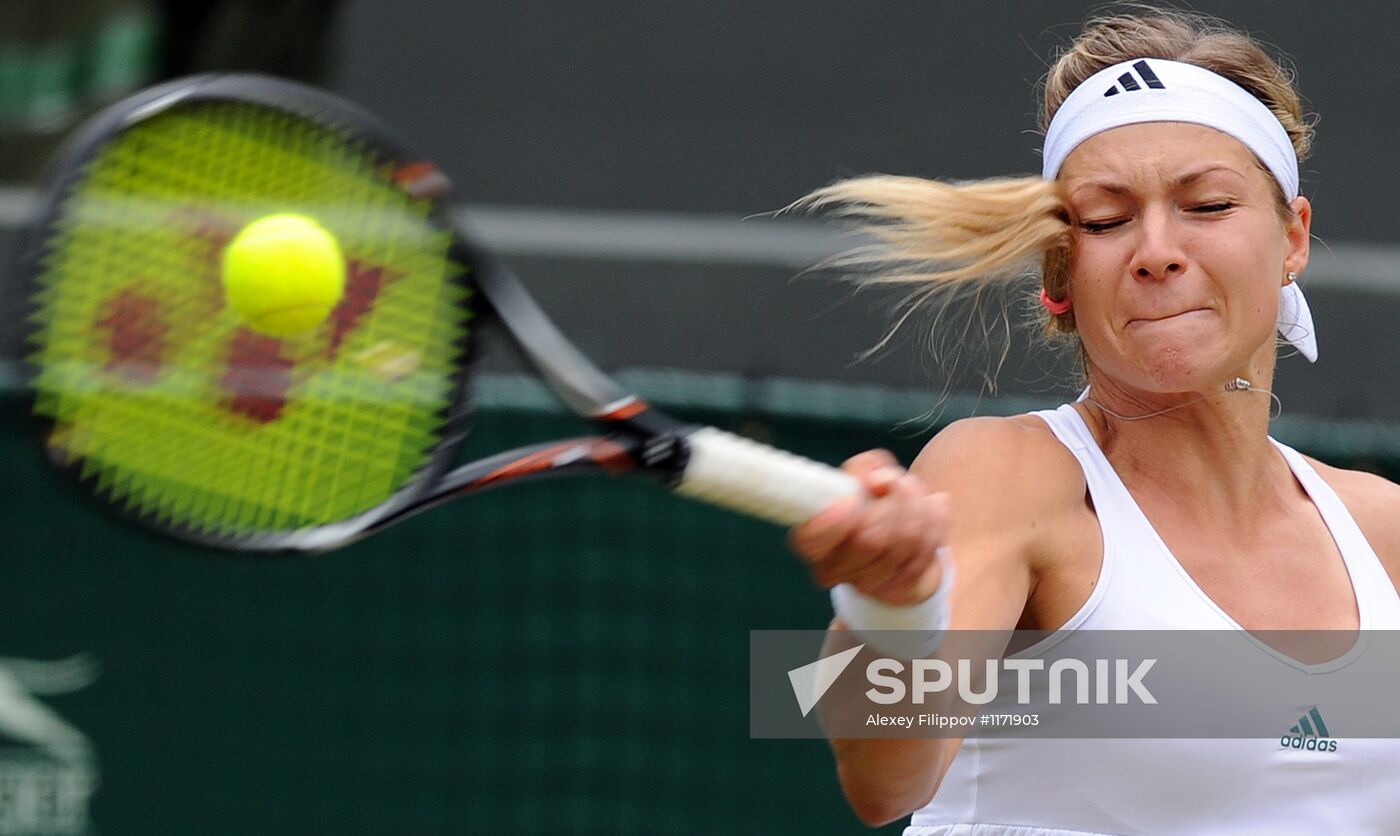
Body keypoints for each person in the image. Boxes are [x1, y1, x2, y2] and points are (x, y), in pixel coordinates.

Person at [790, 7, 1400, 833]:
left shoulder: (1382, 528)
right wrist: (893, 610)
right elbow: (886, 784)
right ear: (1063, 275)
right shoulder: (1004, 477)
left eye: (1209, 205)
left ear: (1293, 237)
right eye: (1107, 220)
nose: (1156, 249)